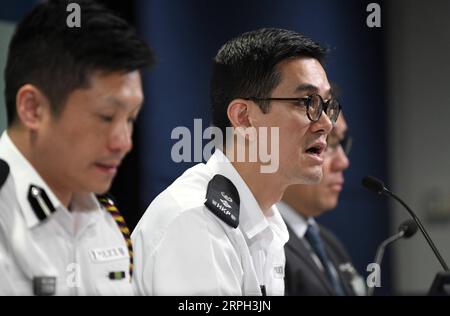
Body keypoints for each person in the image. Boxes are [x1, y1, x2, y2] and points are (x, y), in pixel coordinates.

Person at [132, 28, 339, 295]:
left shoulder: (267, 221)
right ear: (244, 118)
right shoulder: (196, 222)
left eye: (327, 105)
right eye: (306, 102)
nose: (325, 124)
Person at [0, 0, 154, 295]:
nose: (124, 142)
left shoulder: (107, 219)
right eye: (106, 117)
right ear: (33, 109)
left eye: (131, 118)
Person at [279, 114, 366, 296]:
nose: (343, 162)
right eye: (326, 143)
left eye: (341, 143)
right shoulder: (260, 243)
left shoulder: (330, 243)